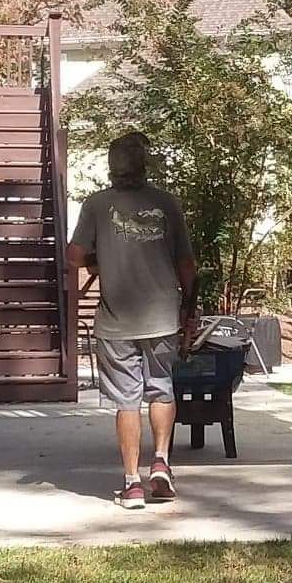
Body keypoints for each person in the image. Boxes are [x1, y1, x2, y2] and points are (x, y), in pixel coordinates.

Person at [65, 131, 198, 509]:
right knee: (161, 388)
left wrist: (97, 261)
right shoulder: (167, 203)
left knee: (127, 401)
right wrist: (188, 308)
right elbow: (186, 264)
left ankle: (132, 483)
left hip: (116, 322)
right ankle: (161, 462)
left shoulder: (95, 205)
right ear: (145, 164)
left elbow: (74, 255)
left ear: (112, 167)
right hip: (161, 319)